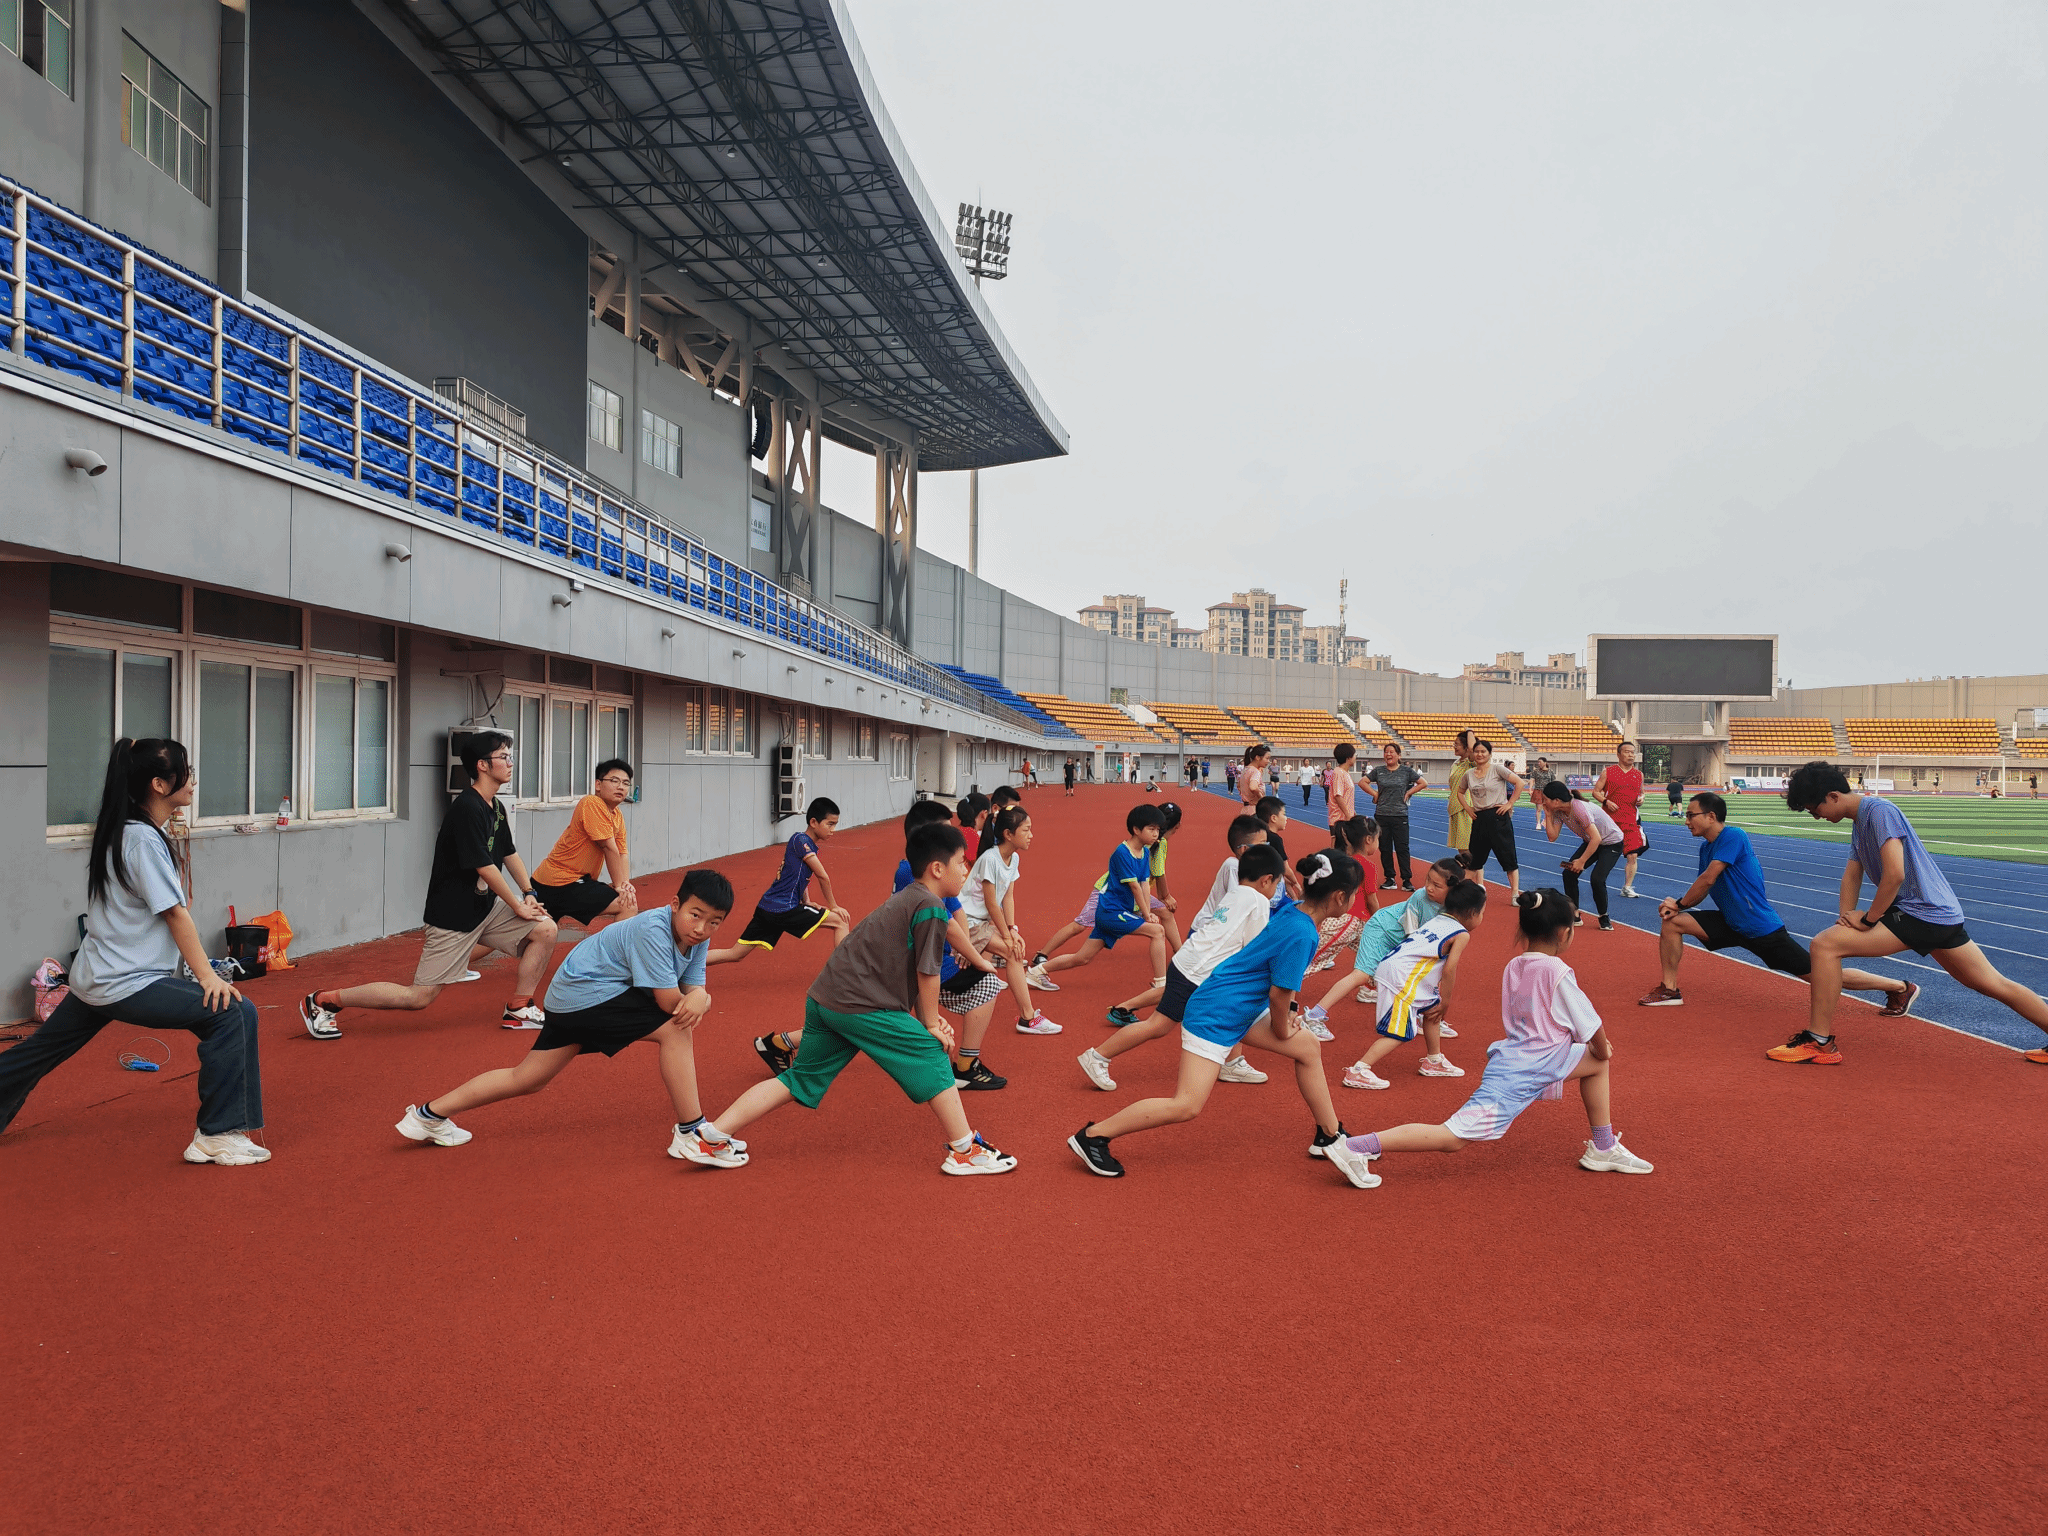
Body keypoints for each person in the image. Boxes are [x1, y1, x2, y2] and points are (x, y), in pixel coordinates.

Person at [672, 820, 1018, 1176]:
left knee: (798, 1079)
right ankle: (964, 1150)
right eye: (961, 862)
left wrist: (928, 1018)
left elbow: (912, 972)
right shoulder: (930, 907)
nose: (966, 870)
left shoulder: (910, 898)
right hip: (858, 1003)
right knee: (931, 1052)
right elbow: (928, 973)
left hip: (826, 998)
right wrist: (930, 1024)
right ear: (937, 868)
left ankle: (710, 1136)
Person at [0, 738, 266, 1165]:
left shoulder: (125, 829)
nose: (193, 781)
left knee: (39, 1052)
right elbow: (175, 914)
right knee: (233, 1013)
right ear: (159, 784)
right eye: (186, 772)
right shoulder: (140, 839)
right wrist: (208, 977)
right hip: (125, 981)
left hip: (96, 976)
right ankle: (217, 1134)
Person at [1323, 889, 1654, 1189]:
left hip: (1532, 1057)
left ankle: (1604, 1146)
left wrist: (1597, 1053)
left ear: (1523, 930)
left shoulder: (1514, 965)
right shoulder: (1557, 971)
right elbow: (1590, 1022)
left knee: (1596, 1064)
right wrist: (1601, 1047)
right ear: (1565, 933)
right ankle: (1354, 1146)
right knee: (1451, 1138)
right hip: (1526, 1069)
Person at [1067, 852, 1366, 1178]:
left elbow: (1278, 983)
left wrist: (1289, 1017)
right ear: (1340, 897)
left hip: (1237, 1004)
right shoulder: (1303, 933)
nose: (1355, 899)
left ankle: (1329, 1134)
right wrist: (1283, 1028)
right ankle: (1093, 1136)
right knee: (1186, 1105)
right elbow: (1279, 995)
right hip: (1216, 1011)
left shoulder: (1294, 911)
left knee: (1307, 1047)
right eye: (1355, 893)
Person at [396, 871, 735, 1153]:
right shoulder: (655, 930)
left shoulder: (695, 937)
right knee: (676, 1028)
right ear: (675, 904)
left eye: (714, 922)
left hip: (572, 996)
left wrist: (700, 996)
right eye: (695, 915)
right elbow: (672, 1004)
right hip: (585, 994)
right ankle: (691, 1133)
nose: (701, 928)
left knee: (527, 1078)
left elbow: (694, 987)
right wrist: (701, 1000)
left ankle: (428, 1115)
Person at [1777, 762, 2048, 1065]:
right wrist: (1845, 918)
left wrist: (1867, 920)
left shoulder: (1879, 812)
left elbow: (1895, 874)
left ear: (1833, 796)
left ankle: (1818, 1041)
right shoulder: (1861, 821)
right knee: (1993, 983)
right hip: (1938, 914)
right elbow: (1852, 875)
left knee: (1824, 945)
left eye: (1815, 810)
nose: (1816, 816)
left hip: (1922, 913)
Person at [300, 731, 558, 1039]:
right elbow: (485, 866)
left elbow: (508, 853)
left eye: (510, 756)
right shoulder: (467, 808)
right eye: (504, 757)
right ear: (482, 765)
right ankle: (324, 1000)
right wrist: (517, 905)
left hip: (485, 909)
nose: (511, 763)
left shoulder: (496, 807)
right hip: (454, 917)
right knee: (419, 997)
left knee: (545, 929)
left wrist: (529, 893)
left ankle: (519, 1008)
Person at [1636, 791, 1912, 1015]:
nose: (1686, 821)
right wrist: (1679, 907)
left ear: (1711, 816)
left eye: (1690, 815)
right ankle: (1669, 990)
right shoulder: (1706, 847)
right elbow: (1704, 885)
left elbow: (1709, 878)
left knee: (1819, 975)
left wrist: (1679, 902)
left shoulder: (1733, 836)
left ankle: (1898, 987)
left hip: (1760, 928)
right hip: (1731, 922)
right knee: (1673, 923)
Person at [1078, 843, 1289, 1092]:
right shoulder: (1259, 902)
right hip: (1196, 971)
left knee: (1229, 1008)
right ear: (1266, 880)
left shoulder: (1237, 892)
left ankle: (1232, 1062)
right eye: (1277, 884)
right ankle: (1098, 1056)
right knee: (1158, 1025)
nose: (1276, 891)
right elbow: (1253, 949)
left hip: (1190, 961)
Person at [1341, 877, 1488, 1090]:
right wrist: (1446, 1002)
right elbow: (1449, 969)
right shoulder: (1461, 934)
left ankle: (1434, 1060)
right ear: (1472, 913)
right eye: (1482, 913)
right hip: (1401, 977)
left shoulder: (1438, 919)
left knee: (1431, 1010)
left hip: (1397, 970)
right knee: (1400, 1032)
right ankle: (1359, 1070)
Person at [1305, 857, 1466, 1041]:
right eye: (1428, 879)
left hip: (1404, 939)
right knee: (1361, 975)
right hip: (1381, 930)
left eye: (1437, 885)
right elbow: (1412, 935)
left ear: (1453, 889)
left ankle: (1427, 1017)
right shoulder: (1420, 897)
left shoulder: (1454, 906)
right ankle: (1314, 1016)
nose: (1429, 887)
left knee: (1428, 971)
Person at [1027, 801, 1185, 983]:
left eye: (1158, 829)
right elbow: (1136, 886)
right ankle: (1161, 983)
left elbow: (1144, 884)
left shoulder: (1145, 852)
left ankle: (1036, 972)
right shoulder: (1123, 852)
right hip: (1110, 906)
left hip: (1121, 907)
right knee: (1156, 931)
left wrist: (1147, 911)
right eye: (1152, 829)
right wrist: (1148, 913)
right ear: (1136, 829)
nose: (1156, 833)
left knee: (1082, 957)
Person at [710, 797, 850, 970]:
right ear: (813, 822)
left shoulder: (802, 843)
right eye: (830, 824)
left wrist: (806, 901)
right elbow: (823, 877)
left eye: (835, 824)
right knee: (840, 921)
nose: (833, 830)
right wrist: (833, 905)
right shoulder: (801, 841)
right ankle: (845, 973)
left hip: (767, 907)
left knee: (735, 954)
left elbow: (797, 876)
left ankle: (689, 965)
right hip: (784, 908)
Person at [960, 805, 1059, 1037]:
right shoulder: (990, 859)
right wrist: (1007, 936)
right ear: (1008, 834)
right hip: (967, 920)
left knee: (1013, 949)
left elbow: (1008, 897)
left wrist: (1013, 929)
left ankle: (1027, 1016)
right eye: (1026, 830)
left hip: (981, 921)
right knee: (1013, 952)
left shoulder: (1013, 858)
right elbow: (991, 903)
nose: (1031, 835)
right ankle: (1028, 1017)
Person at [529, 758, 639, 931]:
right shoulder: (592, 803)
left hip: (565, 882)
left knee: (538, 935)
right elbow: (609, 848)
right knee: (627, 905)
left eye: (626, 783)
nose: (621, 787)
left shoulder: (616, 815)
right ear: (598, 784)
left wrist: (625, 884)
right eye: (614, 781)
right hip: (559, 882)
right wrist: (619, 886)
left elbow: (622, 852)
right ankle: (611, 950)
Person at [1536, 780, 1623, 929]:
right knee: (1569, 874)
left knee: (1597, 879)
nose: (1543, 802)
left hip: (1611, 843)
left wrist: (1582, 861)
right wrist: (1548, 815)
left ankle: (1604, 917)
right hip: (1592, 841)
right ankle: (1574, 913)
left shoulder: (1579, 809)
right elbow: (1552, 837)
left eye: (1545, 800)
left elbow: (1597, 839)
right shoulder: (1558, 811)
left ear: (1556, 801)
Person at [1459, 738, 1522, 897]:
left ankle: (1515, 894)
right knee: (1474, 860)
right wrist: (1467, 808)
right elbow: (1460, 792)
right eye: (1477, 751)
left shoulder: (1497, 769)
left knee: (1508, 859)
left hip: (1498, 818)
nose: (1480, 754)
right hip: (1479, 819)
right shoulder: (1468, 774)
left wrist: (1509, 804)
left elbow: (1519, 783)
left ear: (1489, 754)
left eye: (1483, 751)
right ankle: (1461, 892)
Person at [1591, 741, 1649, 898]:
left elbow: (1642, 793)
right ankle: (1592, 878)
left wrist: (1642, 799)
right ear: (1618, 754)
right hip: (1610, 820)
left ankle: (1627, 887)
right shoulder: (1608, 772)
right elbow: (1596, 792)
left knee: (1632, 855)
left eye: (1632, 752)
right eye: (1627, 752)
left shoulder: (1639, 774)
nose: (1630, 755)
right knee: (1602, 853)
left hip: (1630, 820)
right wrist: (1606, 801)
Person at [1365, 742, 1424, 891]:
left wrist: (1409, 793)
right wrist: (1375, 794)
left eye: (1392, 752)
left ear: (1398, 755)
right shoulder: (1378, 771)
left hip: (1400, 815)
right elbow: (1362, 782)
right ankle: (1390, 879)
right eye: (1386, 752)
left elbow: (1422, 783)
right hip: (1382, 814)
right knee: (1385, 848)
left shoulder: (1406, 771)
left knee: (1402, 848)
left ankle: (1406, 880)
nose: (1388, 754)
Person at [1256, 795, 1304, 902]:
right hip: (1272, 893)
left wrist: (1294, 896)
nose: (1286, 818)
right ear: (1273, 818)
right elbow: (1285, 869)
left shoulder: (1259, 835)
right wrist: (1297, 884)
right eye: (1284, 814)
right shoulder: (1275, 840)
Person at [1446, 731, 1476, 865]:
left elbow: (1473, 750)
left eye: (1457, 744)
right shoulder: (1457, 763)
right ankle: (1468, 875)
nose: (1454, 746)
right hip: (1454, 808)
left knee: (1467, 849)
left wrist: (1469, 732)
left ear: (1466, 747)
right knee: (1461, 849)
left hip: (1465, 808)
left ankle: (1475, 876)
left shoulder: (1470, 763)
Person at [1329, 742, 1357, 824]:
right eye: (1355, 755)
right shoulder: (1338, 772)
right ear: (1348, 758)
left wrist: (1353, 813)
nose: (1355, 757)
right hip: (1339, 820)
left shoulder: (1345, 773)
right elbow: (1338, 796)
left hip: (1347, 818)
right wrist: (1348, 816)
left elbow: (1346, 796)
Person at [1238, 744, 1269, 812]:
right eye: (1267, 758)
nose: (1268, 761)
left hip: (1245, 809)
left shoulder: (1245, 770)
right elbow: (1253, 787)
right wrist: (1262, 799)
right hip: (1254, 810)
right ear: (1257, 757)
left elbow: (1239, 786)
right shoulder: (1255, 771)